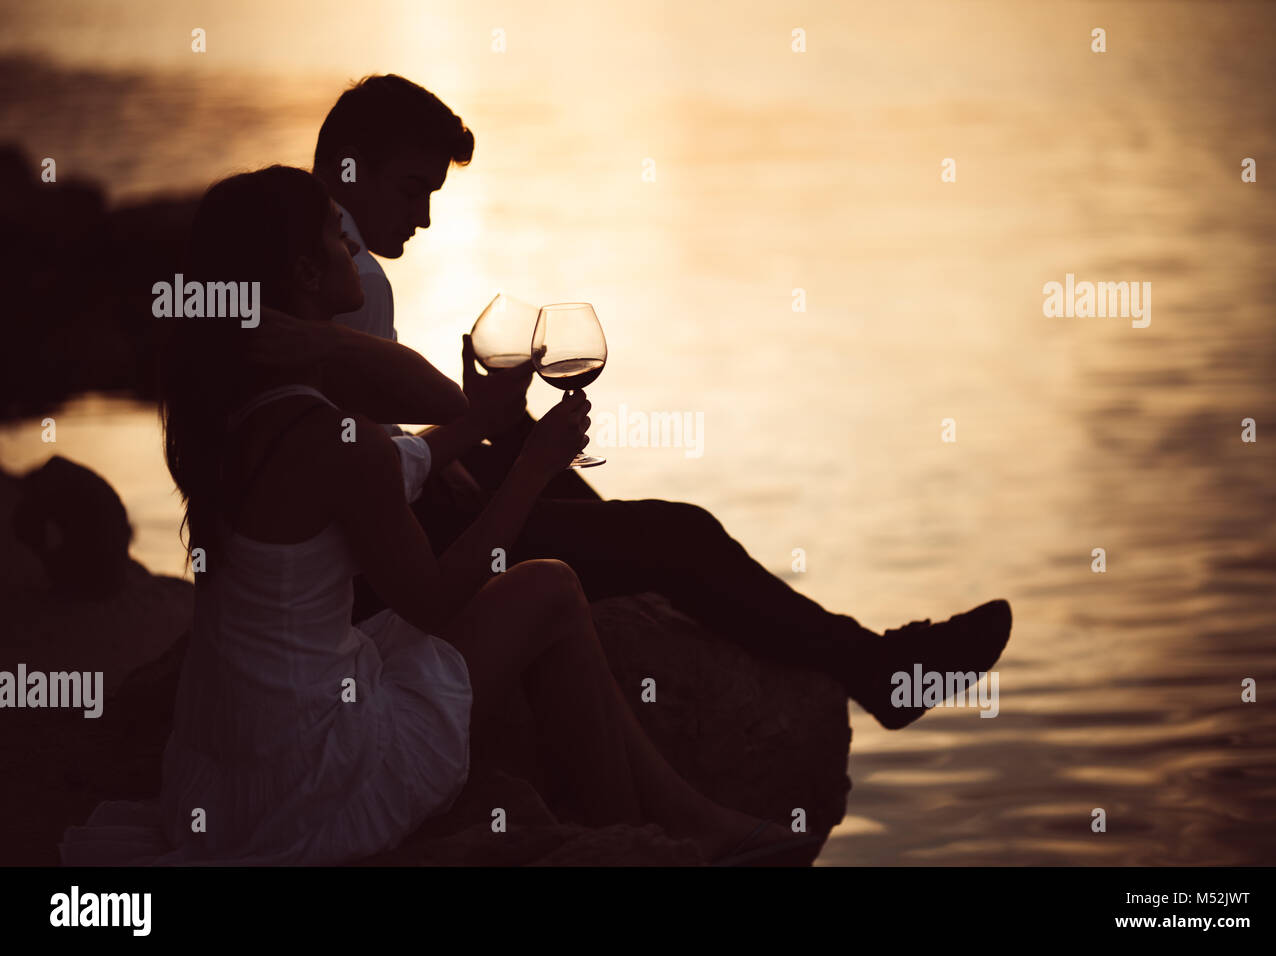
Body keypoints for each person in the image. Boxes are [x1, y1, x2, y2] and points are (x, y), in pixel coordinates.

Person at [58, 165, 821, 866]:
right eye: (336, 235)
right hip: (304, 779)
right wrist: (531, 465)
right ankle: (632, 841)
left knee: (518, 599)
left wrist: (477, 426)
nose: (352, 246)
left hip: (226, 771)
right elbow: (434, 595)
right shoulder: (322, 431)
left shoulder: (232, 406)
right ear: (300, 273)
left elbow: (378, 465)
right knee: (550, 587)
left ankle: (670, 821)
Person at [297, 74, 1013, 728]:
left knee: (529, 457)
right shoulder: (353, 273)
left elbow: (346, 446)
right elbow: (363, 471)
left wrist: (472, 431)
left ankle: (649, 569)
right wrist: (468, 426)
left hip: (381, 527)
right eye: (410, 188)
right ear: (347, 166)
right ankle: (878, 668)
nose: (423, 218)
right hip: (390, 562)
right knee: (681, 532)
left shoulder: (292, 259)